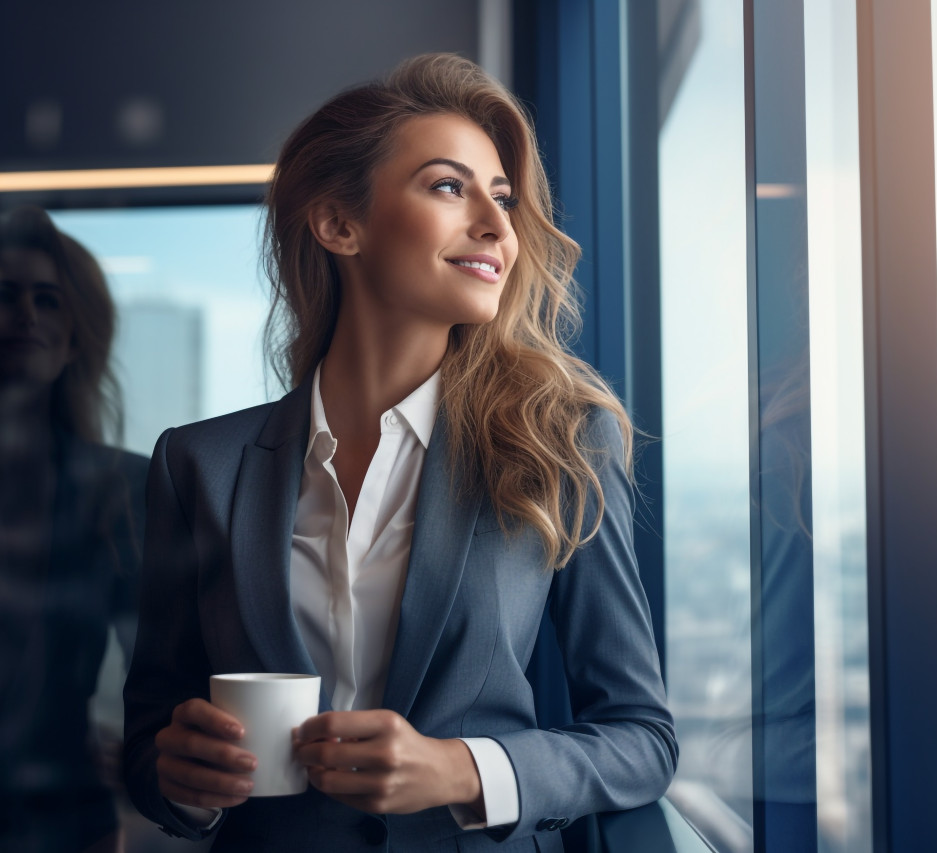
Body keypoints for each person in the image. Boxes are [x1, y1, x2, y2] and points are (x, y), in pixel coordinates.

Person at [122, 53, 676, 852]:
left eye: (504, 198)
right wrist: (182, 778)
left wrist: (462, 769)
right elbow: (151, 739)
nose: (496, 225)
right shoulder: (196, 465)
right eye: (450, 186)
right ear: (339, 224)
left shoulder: (556, 442)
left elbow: (642, 738)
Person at [0, 205, 148, 853]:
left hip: (66, 821)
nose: (26, 316)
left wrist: (145, 756)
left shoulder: (125, 488)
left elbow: (161, 666)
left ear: (77, 334)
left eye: (48, 300)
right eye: (5, 296)